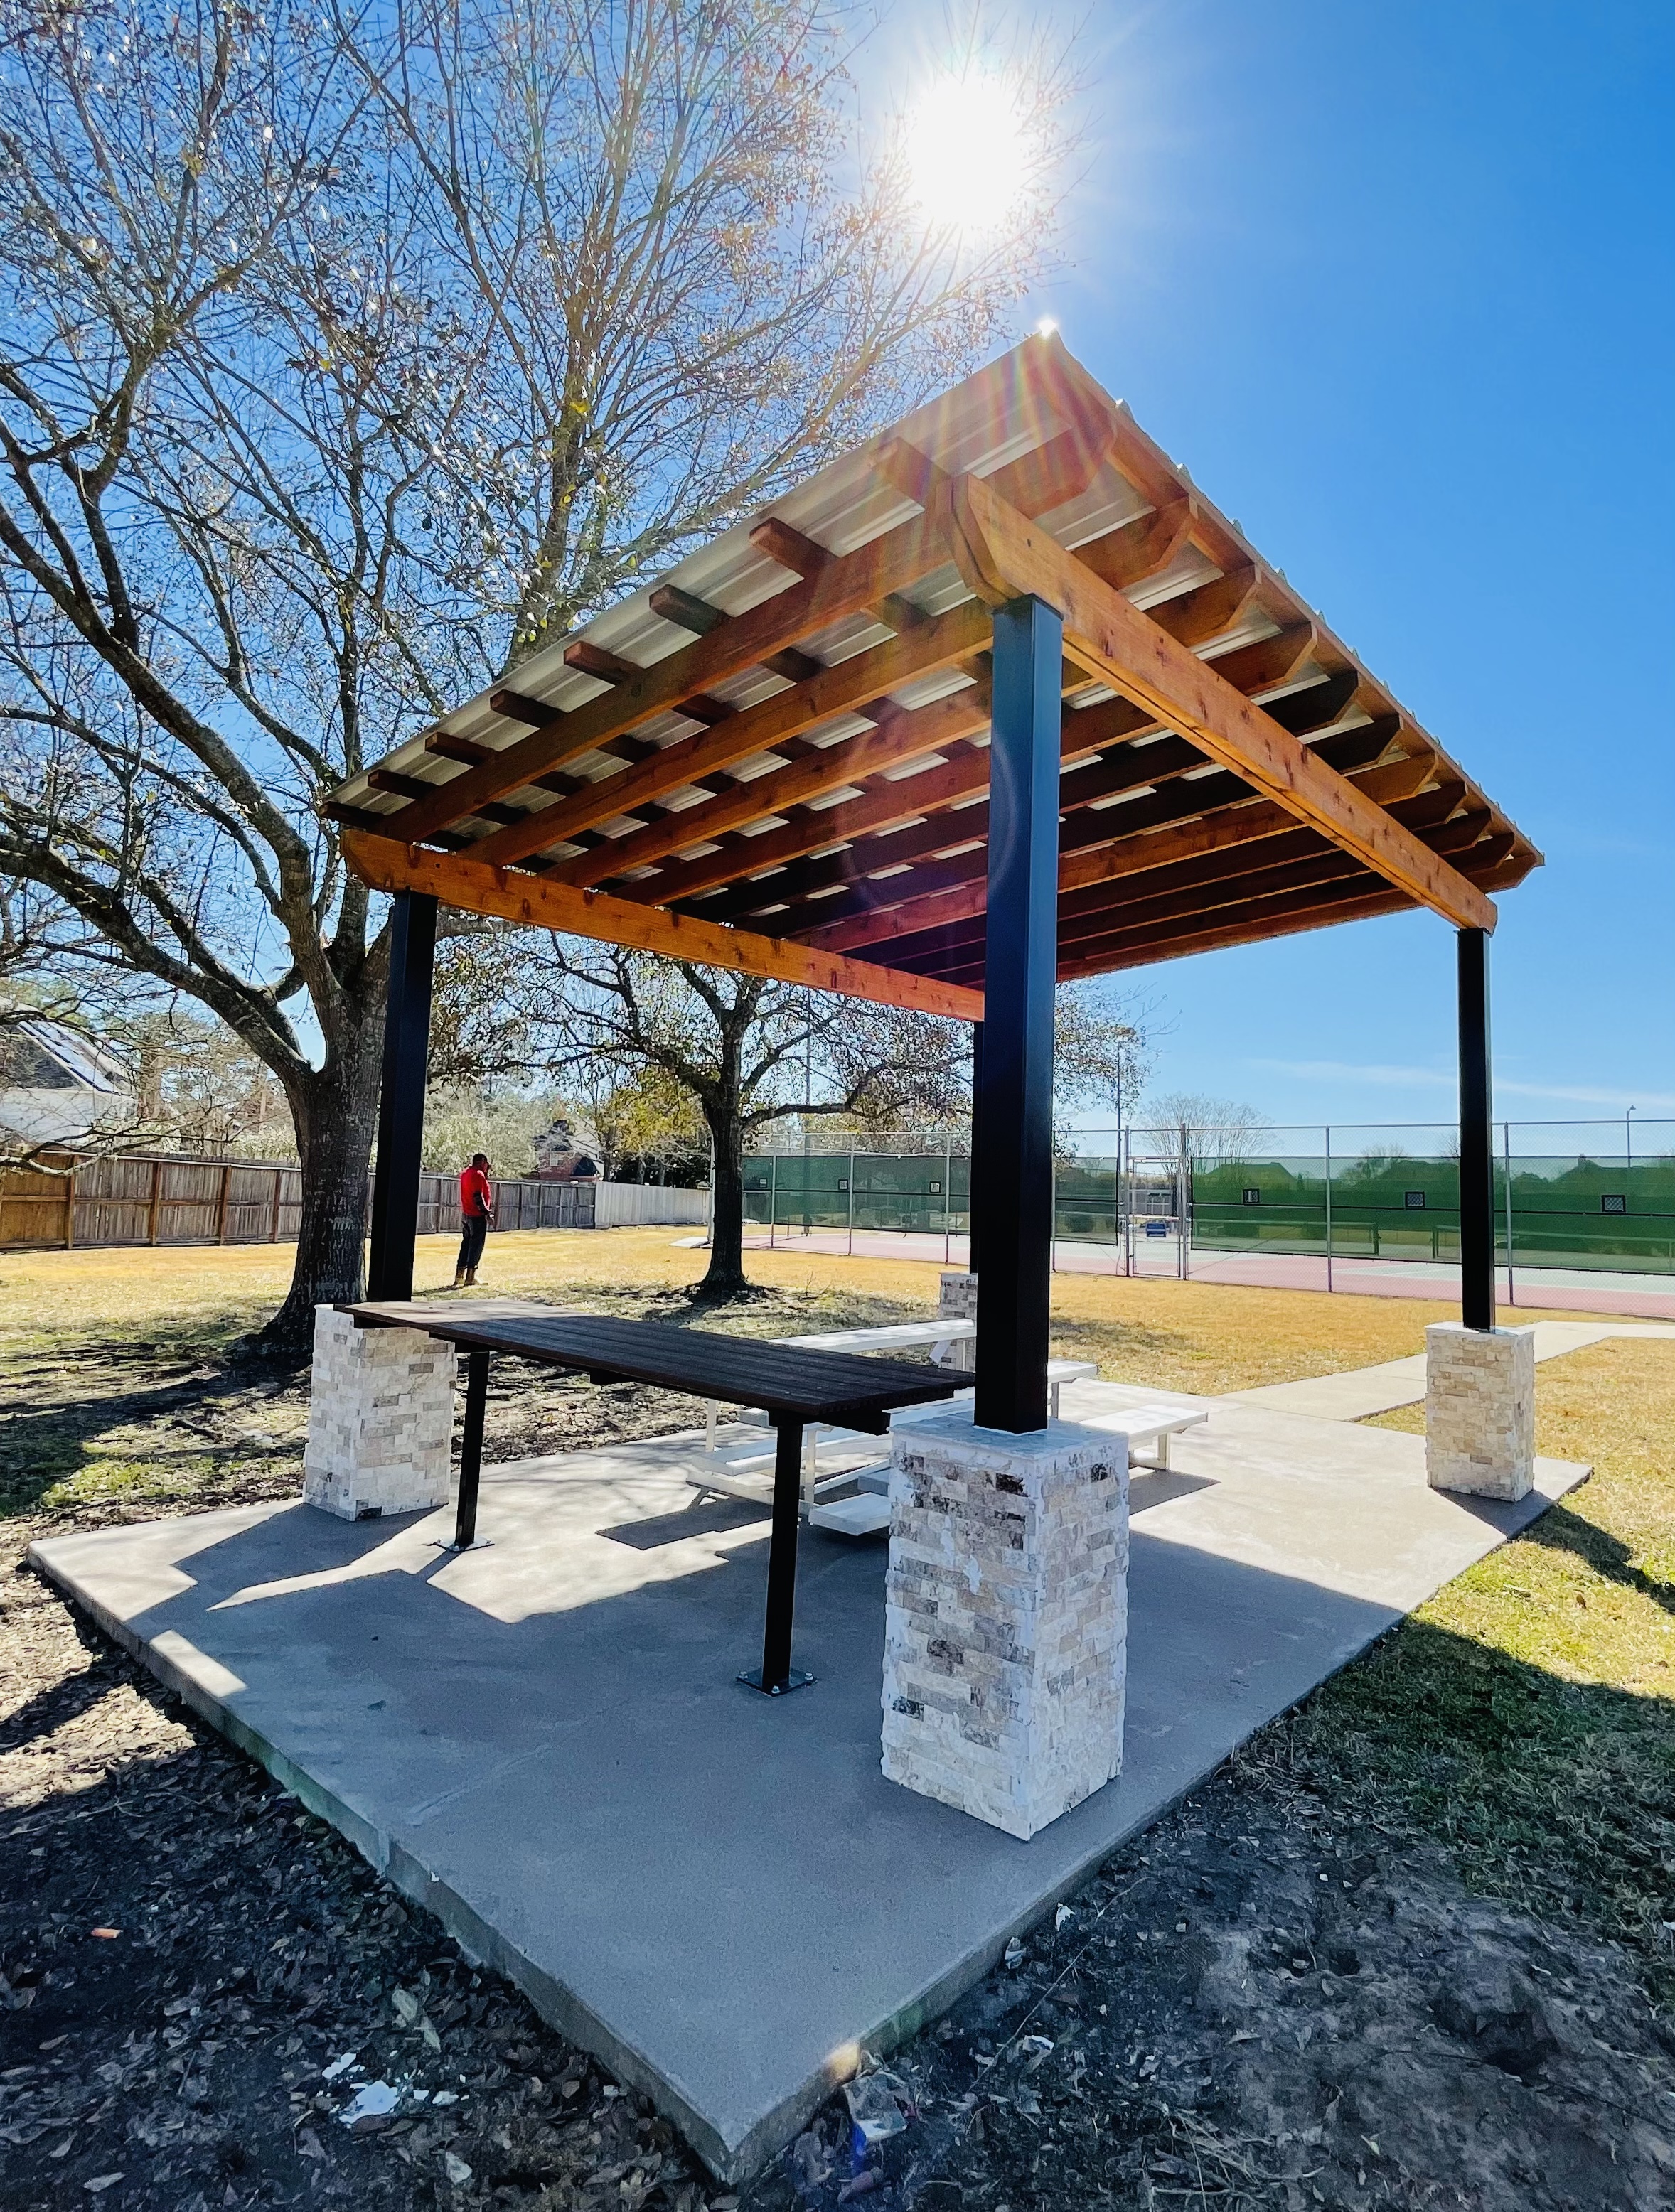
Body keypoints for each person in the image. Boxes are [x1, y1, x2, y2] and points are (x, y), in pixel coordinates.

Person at [454, 1153, 494, 1288]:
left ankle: (459, 1276)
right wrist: (486, 1214)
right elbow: (478, 1196)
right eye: (486, 1163)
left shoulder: (466, 1173)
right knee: (476, 1246)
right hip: (476, 1216)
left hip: (466, 1214)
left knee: (466, 1245)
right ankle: (470, 1277)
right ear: (482, 1161)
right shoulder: (478, 1174)